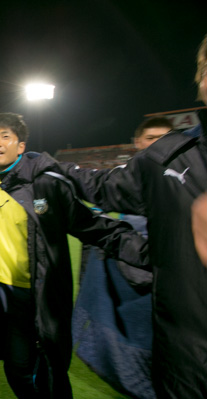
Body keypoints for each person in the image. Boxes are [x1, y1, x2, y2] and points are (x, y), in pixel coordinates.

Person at [0, 112, 148, 398]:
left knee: (30, 370)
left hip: (32, 297)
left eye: (5, 136)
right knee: (17, 366)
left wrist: (147, 253)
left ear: (21, 146)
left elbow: (93, 227)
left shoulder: (45, 183)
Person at [60, 33, 207, 399]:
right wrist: (54, 178)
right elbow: (105, 198)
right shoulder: (169, 158)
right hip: (185, 359)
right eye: (206, 68)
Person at [72, 115, 173, 399]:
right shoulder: (120, 180)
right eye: (151, 138)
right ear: (138, 142)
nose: (158, 144)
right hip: (129, 287)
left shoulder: (185, 180)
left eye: (166, 138)